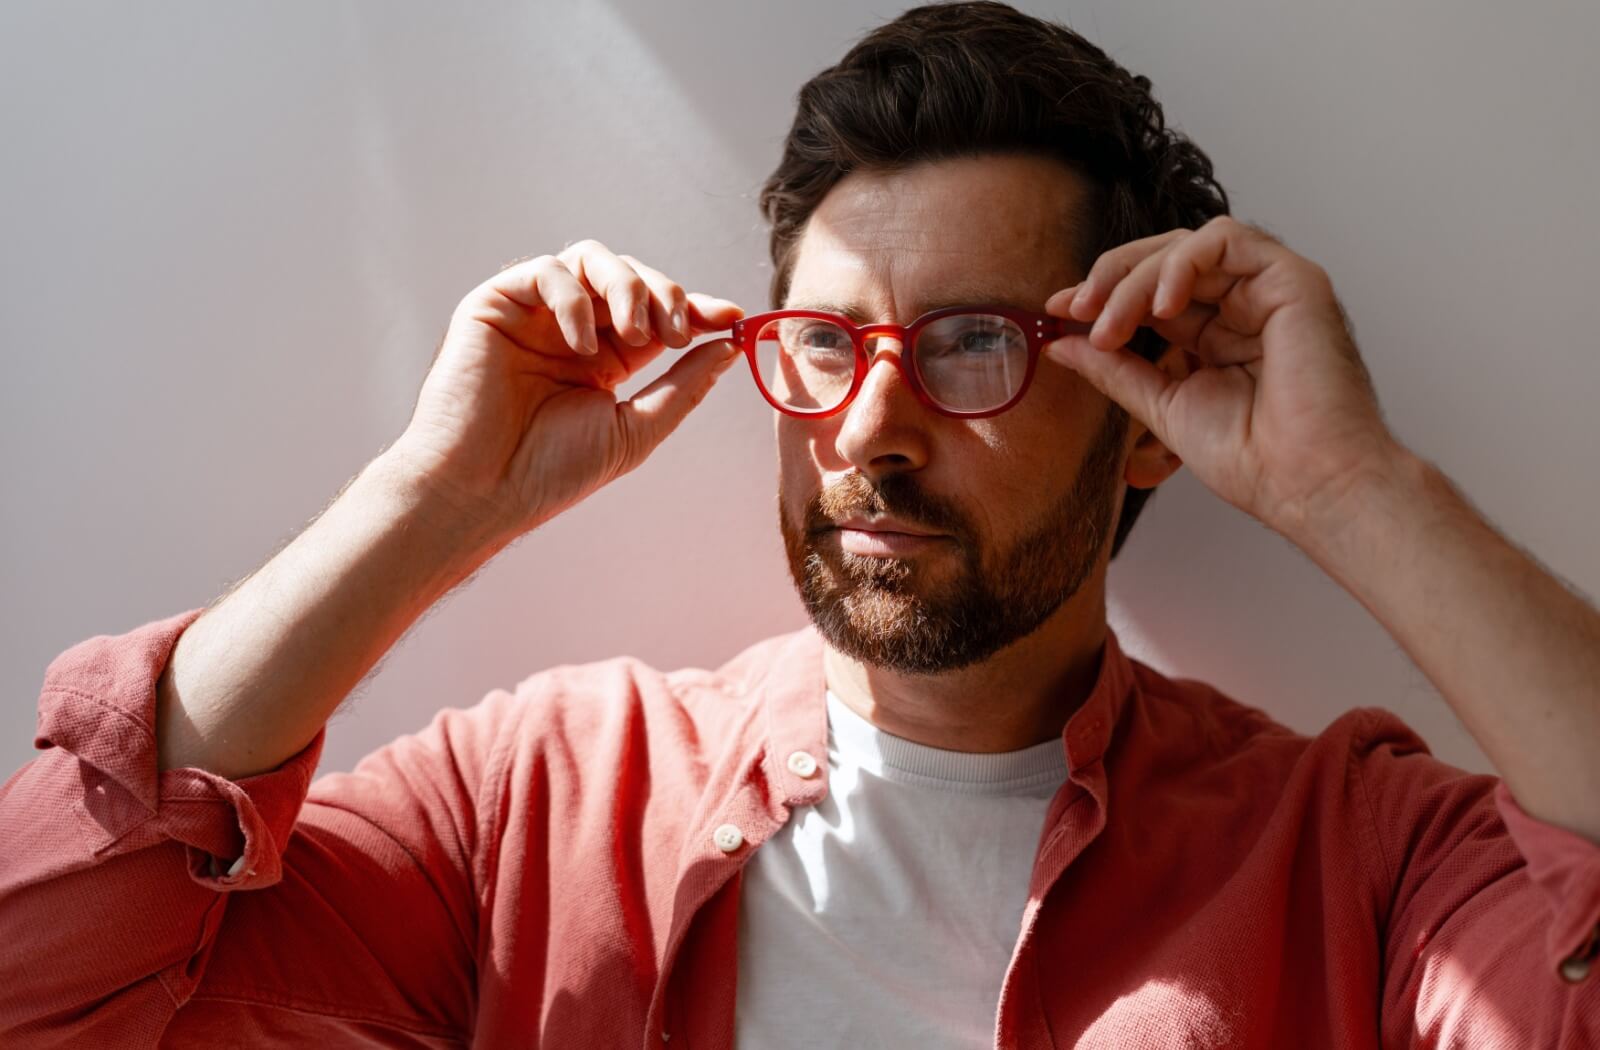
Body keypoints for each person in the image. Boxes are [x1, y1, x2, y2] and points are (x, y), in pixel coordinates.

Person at [3, 1, 1597, 1045]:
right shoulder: (534, 811)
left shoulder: (1362, 863)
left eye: (973, 343)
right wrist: (428, 504)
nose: (871, 425)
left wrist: (1356, 488)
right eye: (827, 343)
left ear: (1145, 415)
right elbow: (48, 985)